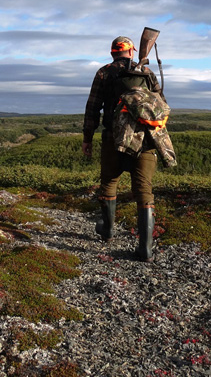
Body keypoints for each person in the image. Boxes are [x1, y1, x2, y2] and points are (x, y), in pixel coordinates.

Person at [82, 35, 164, 261]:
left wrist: (87, 138)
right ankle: (145, 249)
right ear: (131, 52)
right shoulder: (146, 73)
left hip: (113, 137)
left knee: (109, 182)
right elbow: (160, 104)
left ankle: (107, 231)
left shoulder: (103, 72)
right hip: (145, 140)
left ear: (112, 53)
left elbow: (93, 108)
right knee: (144, 190)